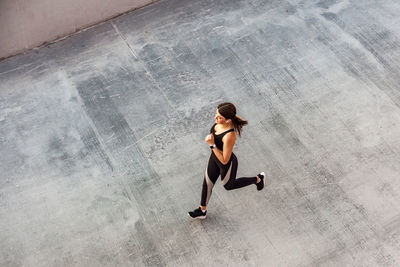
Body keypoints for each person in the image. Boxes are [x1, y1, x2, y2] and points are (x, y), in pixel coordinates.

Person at [188, 102, 266, 219]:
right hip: (214, 157)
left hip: (227, 163)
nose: (216, 118)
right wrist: (213, 146)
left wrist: (212, 145)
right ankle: (202, 211)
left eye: (219, 117)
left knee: (228, 186)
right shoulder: (218, 124)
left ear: (228, 120)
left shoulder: (229, 136)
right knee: (207, 183)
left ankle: (259, 179)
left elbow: (225, 160)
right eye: (216, 114)